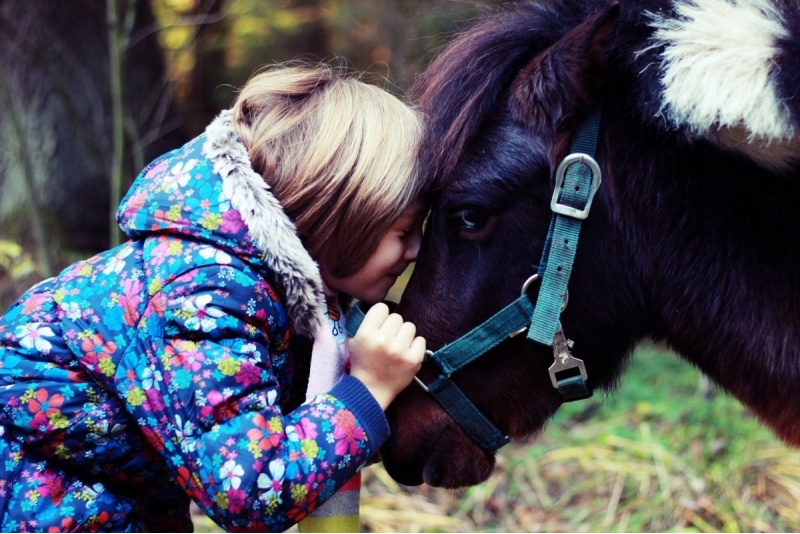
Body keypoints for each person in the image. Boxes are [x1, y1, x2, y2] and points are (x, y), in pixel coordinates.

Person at [0, 63, 428, 532]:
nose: (415, 250)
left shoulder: (275, 289)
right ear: (343, 214)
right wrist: (367, 389)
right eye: (404, 230)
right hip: (38, 501)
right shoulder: (205, 292)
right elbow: (250, 490)